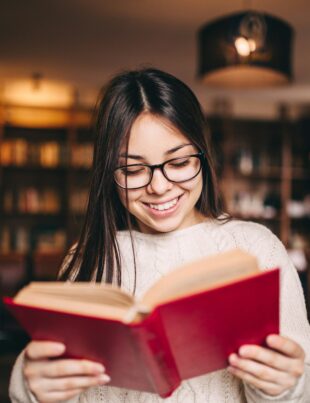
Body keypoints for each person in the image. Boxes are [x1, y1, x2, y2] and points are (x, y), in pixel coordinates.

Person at [9, 68, 310, 403]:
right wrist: (32, 387)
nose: (159, 186)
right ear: (109, 173)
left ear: (203, 155)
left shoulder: (257, 249)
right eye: (134, 170)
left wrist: (284, 386)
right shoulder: (86, 258)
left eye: (179, 162)